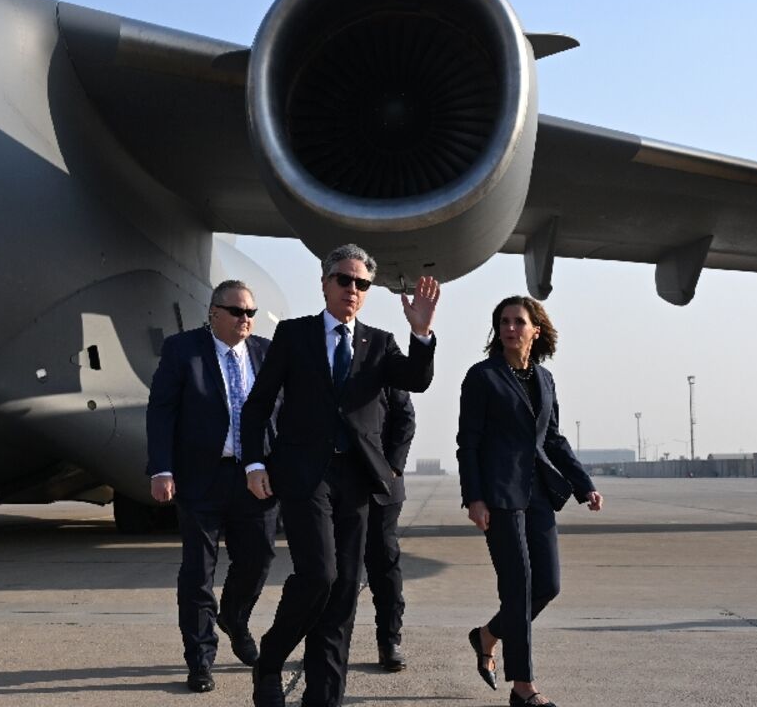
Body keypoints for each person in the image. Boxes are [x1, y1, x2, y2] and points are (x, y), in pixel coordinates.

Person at [240, 244, 438, 707]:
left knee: (345, 590)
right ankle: (270, 662)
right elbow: (258, 405)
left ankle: (324, 696)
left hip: (358, 479)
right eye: (344, 280)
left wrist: (422, 332)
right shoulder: (293, 336)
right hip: (305, 475)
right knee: (321, 575)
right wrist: (254, 463)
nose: (353, 289)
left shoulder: (381, 342)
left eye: (362, 283)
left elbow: (416, 379)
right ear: (325, 283)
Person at [457, 296, 604, 707]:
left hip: (538, 494)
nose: (509, 328)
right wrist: (474, 498)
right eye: (503, 322)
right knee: (518, 589)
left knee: (548, 585)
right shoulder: (482, 377)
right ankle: (524, 689)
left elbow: (553, 439)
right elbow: (467, 443)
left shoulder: (544, 379)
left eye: (518, 322)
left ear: (535, 330)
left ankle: (487, 635)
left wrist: (583, 484)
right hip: (500, 497)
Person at [145, 280, 278, 693]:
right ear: (214, 313)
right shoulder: (183, 350)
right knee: (198, 573)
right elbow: (161, 410)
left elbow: (284, 411)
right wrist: (161, 469)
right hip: (201, 477)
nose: (246, 320)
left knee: (258, 558)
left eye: (251, 313)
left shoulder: (266, 352)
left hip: (255, 475)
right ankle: (200, 658)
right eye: (237, 312)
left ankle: (235, 617)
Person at [365, 386, 415, 672]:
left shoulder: (380, 353)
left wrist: (393, 467)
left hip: (383, 483)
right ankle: (328, 644)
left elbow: (405, 416)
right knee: (331, 573)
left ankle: (389, 641)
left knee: (385, 564)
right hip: (335, 485)